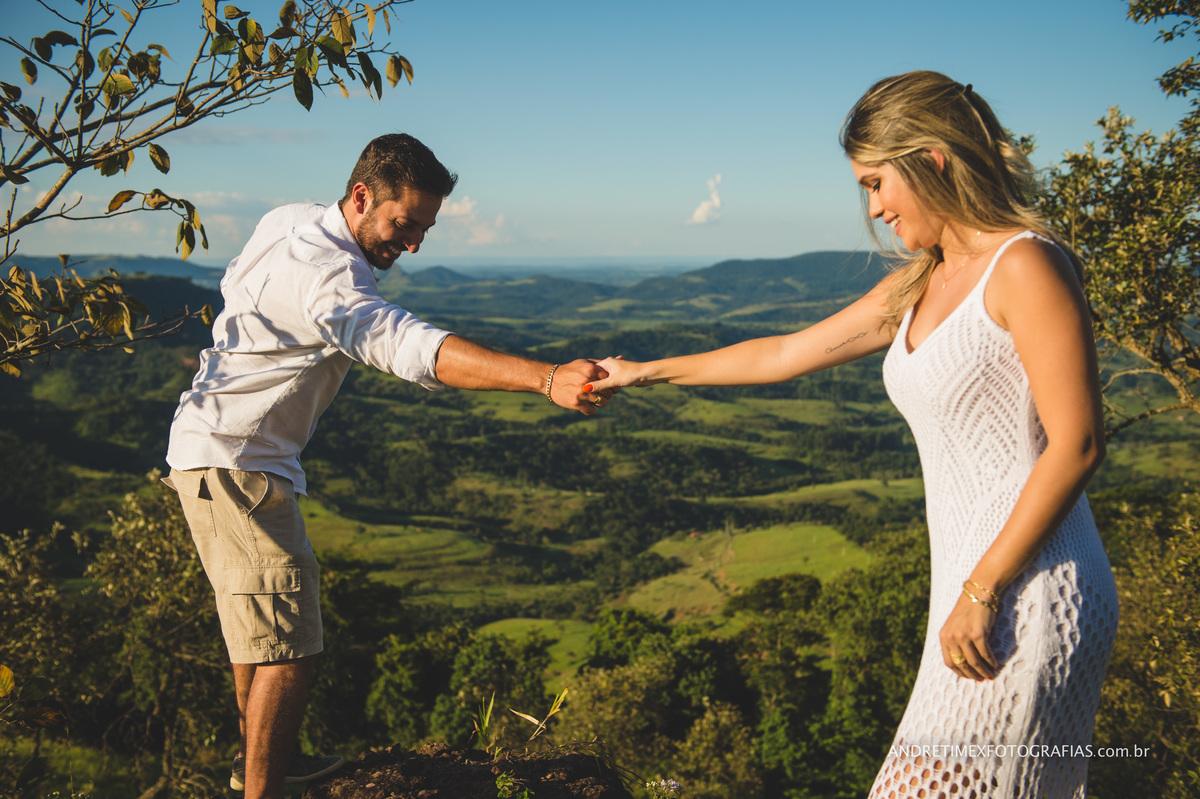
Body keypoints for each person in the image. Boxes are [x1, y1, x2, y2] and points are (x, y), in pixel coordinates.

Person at [588, 71, 1118, 797]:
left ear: (931, 160)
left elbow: (1079, 442)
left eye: (876, 182)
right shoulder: (920, 282)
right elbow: (783, 354)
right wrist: (642, 371)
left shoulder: (1024, 264)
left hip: (1029, 591)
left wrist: (982, 589)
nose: (873, 207)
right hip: (972, 594)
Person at [163, 133, 612, 799]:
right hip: (241, 464)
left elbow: (235, 286)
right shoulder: (331, 279)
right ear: (362, 196)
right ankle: (260, 788)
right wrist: (544, 377)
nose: (413, 244)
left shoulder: (285, 221)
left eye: (425, 229)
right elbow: (410, 348)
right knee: (292, 647)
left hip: (201, 450)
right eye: (406, 225)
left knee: (257, 629)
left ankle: (264, 766)